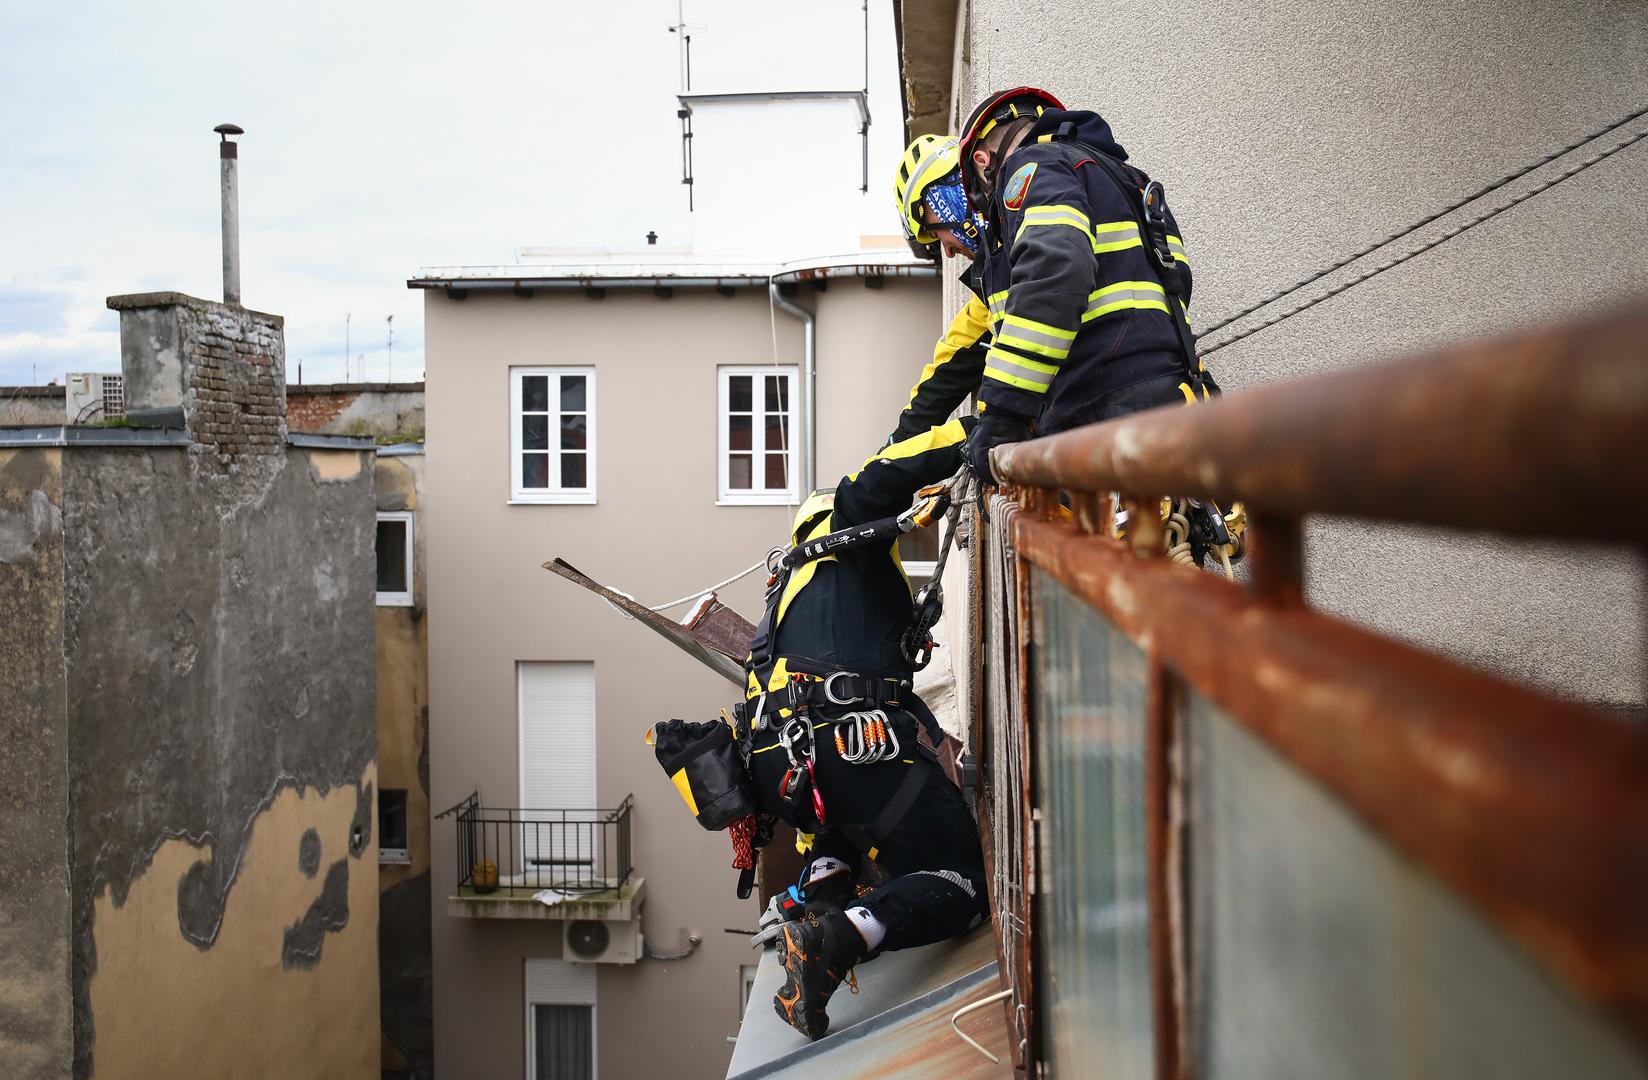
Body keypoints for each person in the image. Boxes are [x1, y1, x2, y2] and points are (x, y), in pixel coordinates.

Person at [736, 418, 987, 1040]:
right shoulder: (846, 531)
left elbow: (811, 781)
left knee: (844, 819)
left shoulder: (786, 599)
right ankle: (836, 938)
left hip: (789, 764)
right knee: (959, 883)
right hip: (852, 744)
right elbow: (891, 473)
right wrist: (983, 429)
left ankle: (821, 899)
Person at [954, 87, 1217, 479]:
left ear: (982, 161)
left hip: (1106, 422)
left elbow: (1055, 272)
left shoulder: (1030, 167)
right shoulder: (1129, 181)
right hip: (1185, 405)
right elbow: (1177, 283)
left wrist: (1005, 412)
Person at [884, 135, 992, 446]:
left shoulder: (1022, 255)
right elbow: (946, 371)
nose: (946, 251)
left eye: (935, 231)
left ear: (947, 197)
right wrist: (893, 451)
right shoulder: (995, 279)